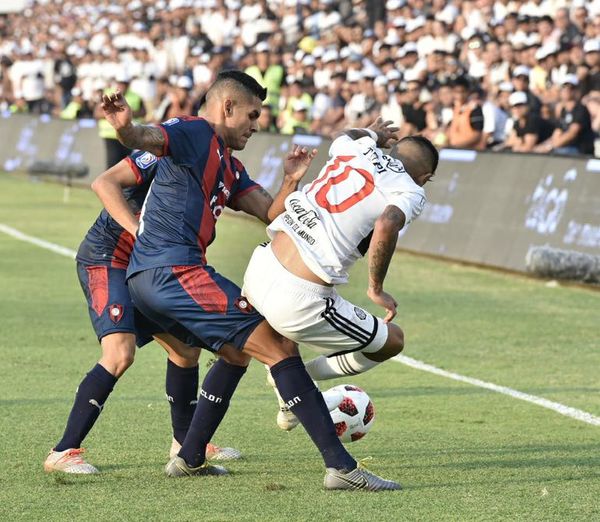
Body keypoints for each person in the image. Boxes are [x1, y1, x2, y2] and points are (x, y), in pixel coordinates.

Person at [100, 70, 400, 491]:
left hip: (164, 277)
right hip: (173, 272)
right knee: (277, 346)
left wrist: (292, 179)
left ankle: (189, 457)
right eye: (253, 115)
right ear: (227, 107)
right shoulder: (193, 131)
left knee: (237, 353)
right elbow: (147, 138)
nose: (257, 125)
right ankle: (341, 468)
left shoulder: (228, 164)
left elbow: (271, 212)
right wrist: (125, 128)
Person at [44, 151, 241, 474]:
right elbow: (104, 183)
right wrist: (139, 231)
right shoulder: (172, 148)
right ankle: (64, 450)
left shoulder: (223, 169)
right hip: (108, 258)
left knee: (185, 351)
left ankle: (185, 443)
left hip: (149, 268)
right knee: (120, 353)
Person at [242, 123, 437, 431]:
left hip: (259, 268)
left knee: (276, 341)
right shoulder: (411, 190)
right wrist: (376, 289)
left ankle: (283, 384)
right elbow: (387, 224)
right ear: (426, 178)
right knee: (392, 341)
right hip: (298, 298)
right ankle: (295, 376)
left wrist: (373, 133)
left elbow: (343, 133)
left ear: (391, 149)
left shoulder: (356, 147)